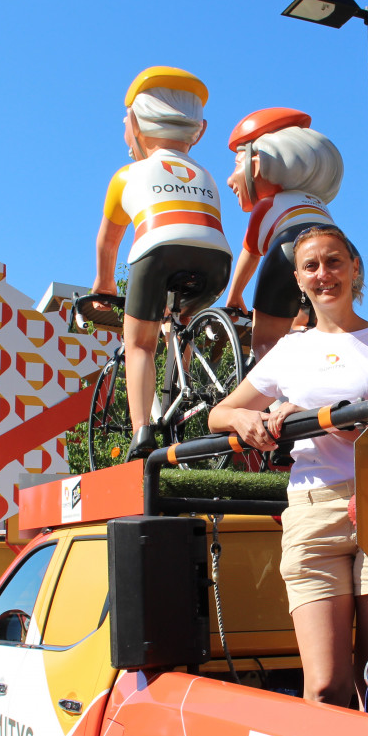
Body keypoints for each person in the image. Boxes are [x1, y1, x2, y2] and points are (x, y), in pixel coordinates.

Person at [209, 225, 368, 708]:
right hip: (312, 508)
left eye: (333, 262)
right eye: (311, 266)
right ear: (299, 279)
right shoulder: (290, 349)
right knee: (326, 685)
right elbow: (218, 413)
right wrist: (247, 418)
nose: (323, 274)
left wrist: (339, 428)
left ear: (353, 268)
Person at [92, 66, 232, 460]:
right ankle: (180, 395)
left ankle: (142, 432)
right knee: (180, 323)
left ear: (134, 124)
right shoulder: (206, 174)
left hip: (158, 249)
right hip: (217, 257)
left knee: (139, 342)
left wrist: (104, 285)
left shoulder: (127, 174)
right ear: (198, 130)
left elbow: (108, 241)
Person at [223, 108, 342, 362]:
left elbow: (250, 254)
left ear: (255, 166)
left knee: (265, 342)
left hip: (289, 250)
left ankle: (272, 400)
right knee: (325, 332)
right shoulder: (320, 206)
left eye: (235, 166)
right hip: (344, 255)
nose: (229, 180)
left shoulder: (268, 205)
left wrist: (234, 297)